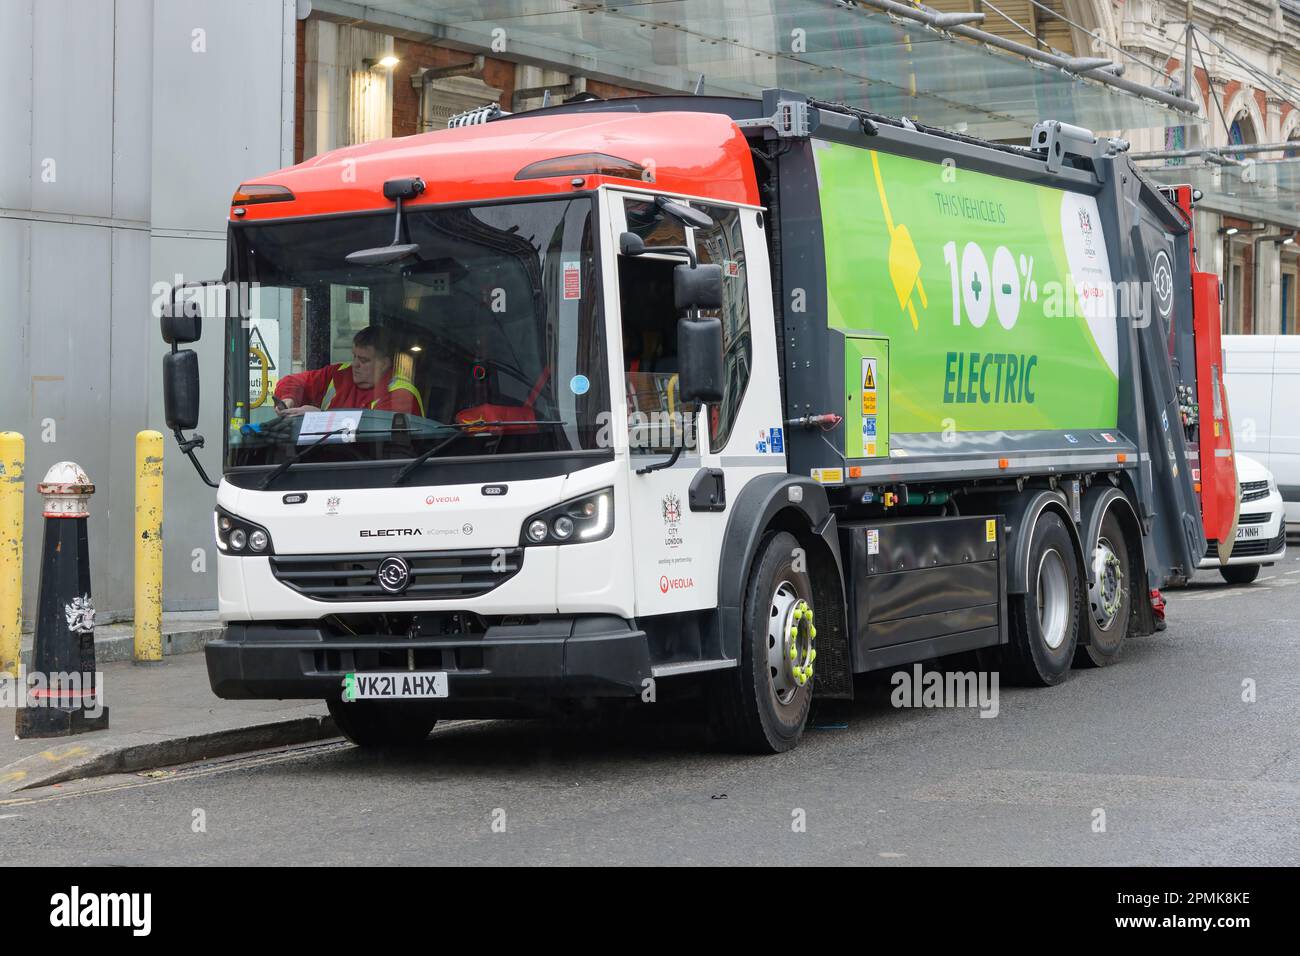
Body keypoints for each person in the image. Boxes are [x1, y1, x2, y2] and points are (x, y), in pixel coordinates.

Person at [274, 327, 424, 417]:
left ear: (384, 364)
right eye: (354, 356)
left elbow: (371, 435)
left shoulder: (401, 394)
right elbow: (292, 381)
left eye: (364, 360)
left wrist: (319, 419)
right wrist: (289, 399)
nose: (355, 364)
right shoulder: (340, 373)